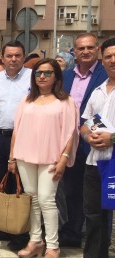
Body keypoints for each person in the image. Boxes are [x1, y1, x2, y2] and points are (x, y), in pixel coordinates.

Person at [7, 58, 79, 258]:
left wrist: (64, 159)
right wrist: (11, 158)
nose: (42, 76)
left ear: (56, 76)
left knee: (47, 200)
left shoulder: (66, 101)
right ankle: (35, 240)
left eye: (47, 73)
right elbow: (16, 130)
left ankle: (53, 245)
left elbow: (70, 133)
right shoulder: (27, 99)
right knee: (33, 199)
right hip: (25, 156)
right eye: (38, 73)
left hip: (52, 157)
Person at [59, 33, 108, 249]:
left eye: (90, 47)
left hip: (97, 143)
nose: (85, 51)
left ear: (97, 49)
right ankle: (71, 233)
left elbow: (103, 112)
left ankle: (97, 242)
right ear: (74, 52)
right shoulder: (66, 76)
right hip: (70, 142)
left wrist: (90, 132)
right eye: (81, 48)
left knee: (98, 200)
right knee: (70, 190)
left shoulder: (105, 74)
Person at [0, 41, 32, 249]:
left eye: (18, 55)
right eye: (9, 56)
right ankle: (1, 226)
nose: (13, 59)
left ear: (24, 57)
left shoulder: (32, 77)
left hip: (24, 137)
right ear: (2, 58)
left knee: (20, 182)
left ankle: (20, 232)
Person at [78, 38, 115, 258]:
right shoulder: (99, 90)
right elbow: (85, 122)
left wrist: (113, 138)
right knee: (93, 216)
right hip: (95, 163)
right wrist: (87, 136)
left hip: (114, 159)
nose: (113, 60)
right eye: (108, 56)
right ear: (102, 61)